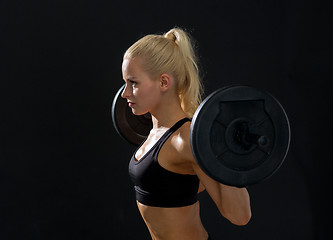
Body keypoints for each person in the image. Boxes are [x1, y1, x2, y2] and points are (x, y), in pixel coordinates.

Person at [121, 28, 251, 240]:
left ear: (163, 82)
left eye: (133, 83)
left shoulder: (187, 139)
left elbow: (239, 215)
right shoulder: (157, 133)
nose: (125, 93)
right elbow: (179, 185)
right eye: (125, 83)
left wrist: (227, 151)